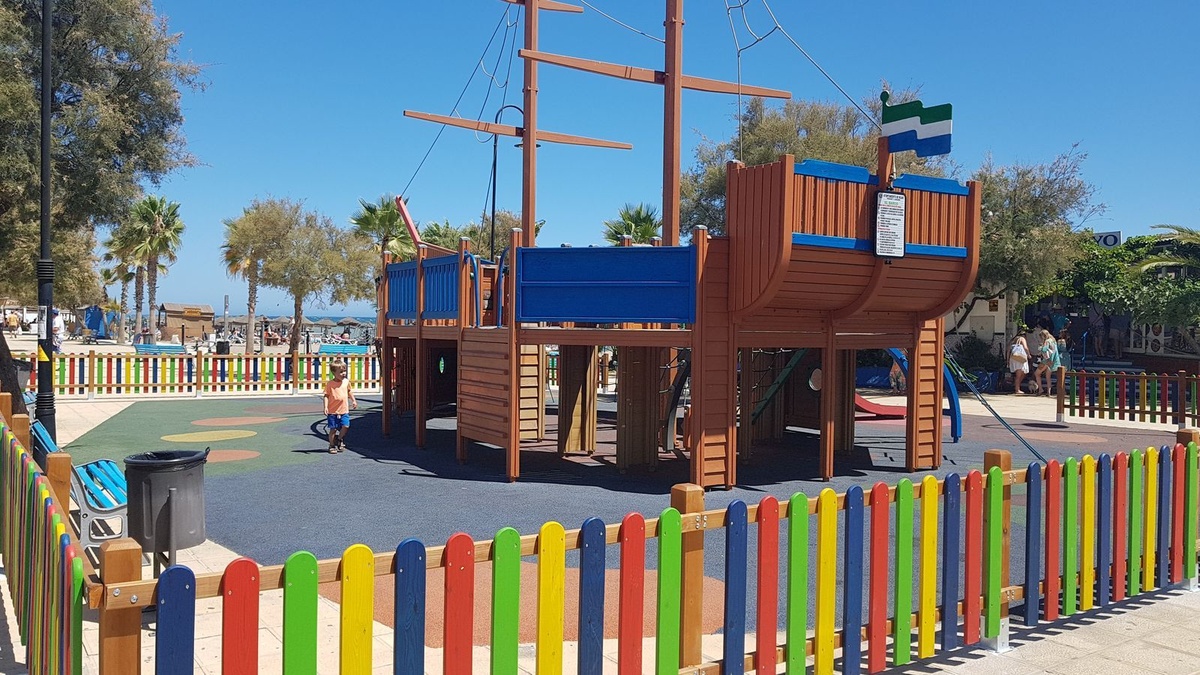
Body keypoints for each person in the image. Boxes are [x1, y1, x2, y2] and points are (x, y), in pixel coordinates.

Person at [322, 359, 358, 453]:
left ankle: (339, 439)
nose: (344, 373)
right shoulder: (330, 384)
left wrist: (353, 400)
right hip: (333, 411)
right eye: (341, 372)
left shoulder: (346, 382)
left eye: (344, 371)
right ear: (334, 373)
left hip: (344, 410)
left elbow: (349, 391)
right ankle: (331, 445)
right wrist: (325, 407)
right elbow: (326, 395)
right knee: (333, 429)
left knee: (346, 426)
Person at [1033, 328, 1061, 396]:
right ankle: (1049, 392)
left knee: (1037, 373)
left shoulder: (1047, 341)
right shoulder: (1053, 341)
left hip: (1046, 360)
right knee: (1048, 376)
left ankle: (1040, 389)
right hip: (1054, 360)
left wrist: (1041, 348)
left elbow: (1044, 349)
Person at [1009, 330, 1031, 394]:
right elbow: (1025, 347)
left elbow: (1008, 350)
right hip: (1020, 358)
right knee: (1019, 374)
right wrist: (1029, 355)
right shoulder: (1022, 339)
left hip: (1014, 357)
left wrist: (1007, 359)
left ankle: (1017, 385)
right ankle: (1017, 389)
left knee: (1021, 373)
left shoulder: (1013, 340)